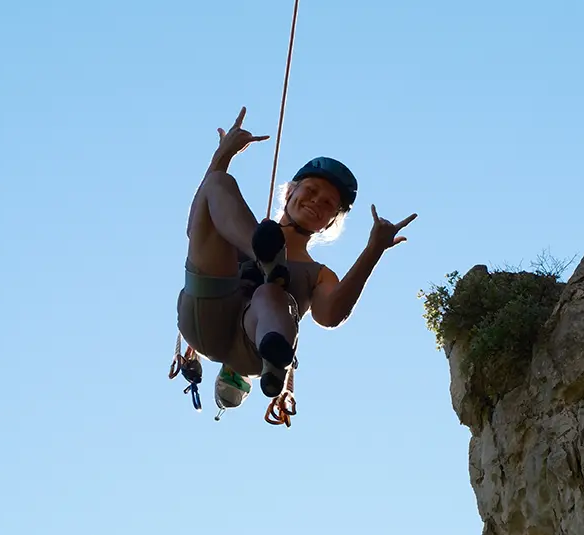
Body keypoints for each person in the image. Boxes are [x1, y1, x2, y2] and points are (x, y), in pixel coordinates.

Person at [177, 107, 417, 410]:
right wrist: (224, 154)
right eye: (311, 190)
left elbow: (329, 316)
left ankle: (275, 357)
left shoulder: (318, 274)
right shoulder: (236, 224)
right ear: (289, 193)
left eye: (328, 204)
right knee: (217, 183)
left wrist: (374, 250)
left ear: (330, 222)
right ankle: (263, 255)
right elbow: (198, 226)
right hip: (209, 311)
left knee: (269, 294)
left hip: (254, 344)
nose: (317, 201)